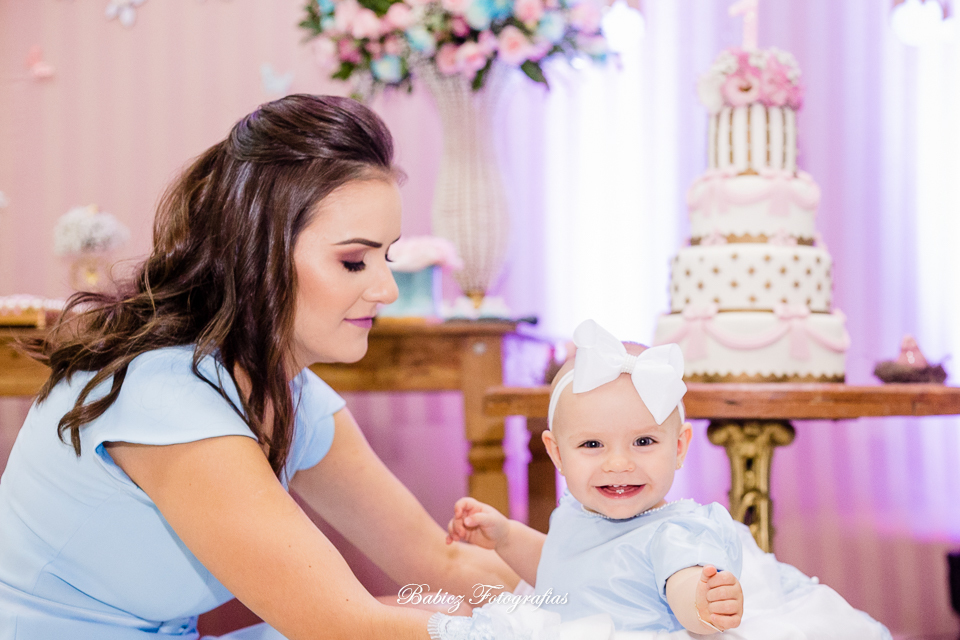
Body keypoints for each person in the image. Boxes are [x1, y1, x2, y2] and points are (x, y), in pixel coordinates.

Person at [0, 95, 518, 640]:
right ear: (258, 253)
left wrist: (570, 599)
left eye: (386, 257)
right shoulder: (165, 397)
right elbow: (339, 624)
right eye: (352, 261)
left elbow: (441, 566)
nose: (386, 289)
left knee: (464, 616)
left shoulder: (295, 396)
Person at [444, 319, 893, 640]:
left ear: (679, 447)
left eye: (643, 442)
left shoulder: (675, 534)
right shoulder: (577, 515)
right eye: (593, 446)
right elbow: (559, 566)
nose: (618, 464)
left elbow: (683, 583)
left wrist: (703, 605)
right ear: (557, 453)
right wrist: (504, 537)